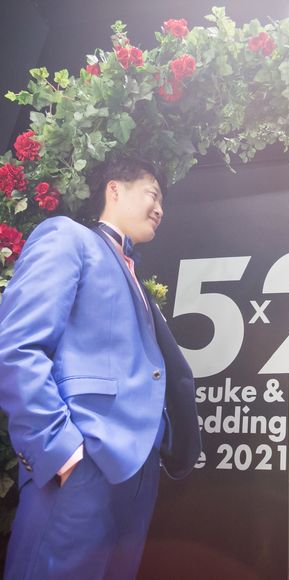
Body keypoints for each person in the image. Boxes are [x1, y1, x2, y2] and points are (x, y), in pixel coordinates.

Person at [0, 156, 202, 579]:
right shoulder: (67, 237)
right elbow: (17, 347)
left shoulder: (135, 275)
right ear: (115, 189)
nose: (160, 209)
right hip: (82, 464)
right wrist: (60, 451)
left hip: (138, 476)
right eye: (152, 194)